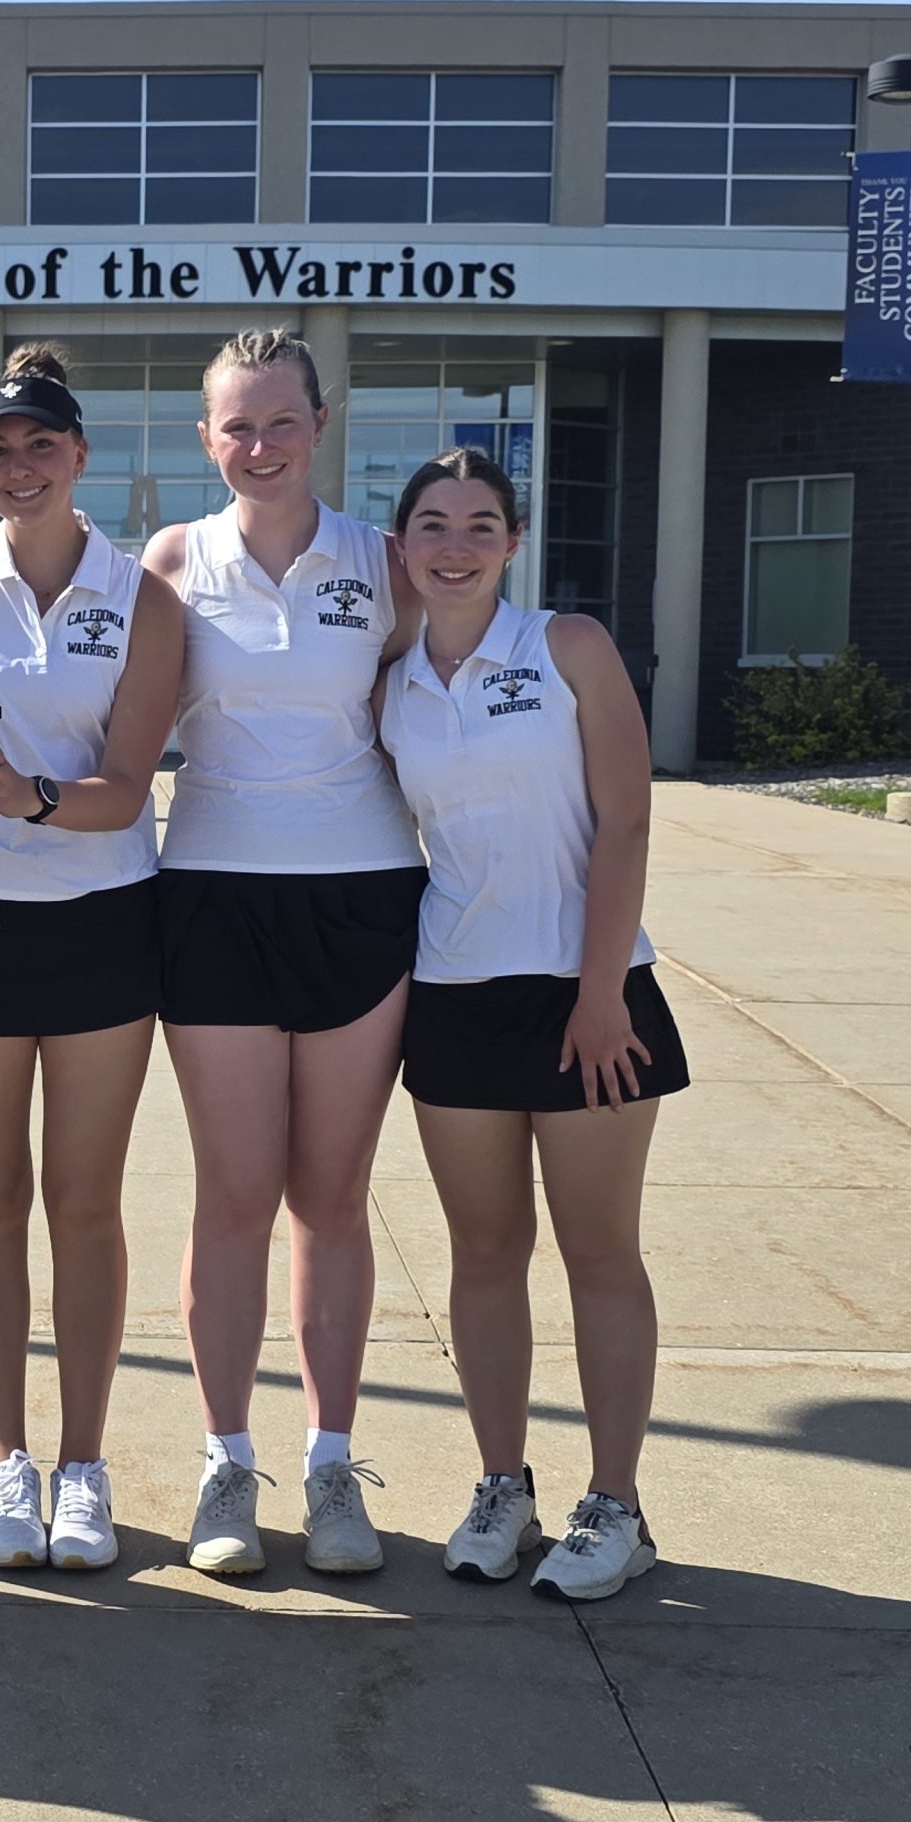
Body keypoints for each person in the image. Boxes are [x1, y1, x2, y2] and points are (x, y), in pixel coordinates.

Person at [374, 446, 688, 1603]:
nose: (453, 546)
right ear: (400, 545)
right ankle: (502, 1484)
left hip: (587, 997)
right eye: (432, 526)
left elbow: (627, 826)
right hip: (454, 998)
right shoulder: (390, 674)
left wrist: (600, 992)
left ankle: (616, 1504)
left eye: (478, 525)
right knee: (484, 1256)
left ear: (512, 542)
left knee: (599, 1253)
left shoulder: (567, 647)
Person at [139, 328, 424, 1576]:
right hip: (208, 896)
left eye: (280, 422)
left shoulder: (384, 563)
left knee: (331, 1199)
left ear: (324, 423)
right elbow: (117, 720)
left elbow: (435, 716)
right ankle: (225, 1463)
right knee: (235, 1197)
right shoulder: (170, 561)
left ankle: (329, 1464)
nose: (258, 447)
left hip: (361, 896)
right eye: (234, 426)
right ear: (205, 438)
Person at [0, 343, 182, 1571]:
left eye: (40, 448)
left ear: (80, 458)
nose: (19, 468)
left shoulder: (145, 596)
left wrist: (23, 797)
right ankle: (4, 1462)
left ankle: (82, 1465)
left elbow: (124, 795)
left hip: (101, 923)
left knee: (82, 1199)